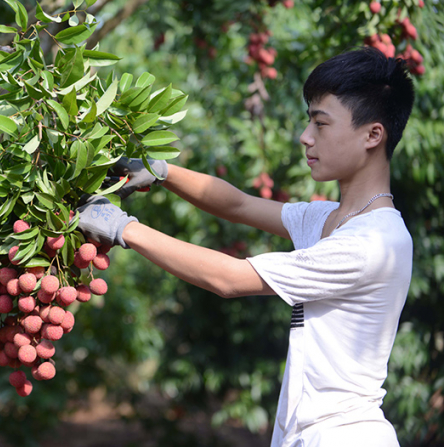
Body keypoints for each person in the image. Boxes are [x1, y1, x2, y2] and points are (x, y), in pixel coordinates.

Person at [76, 47, 415, 447]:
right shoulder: (329, 219)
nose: (305, 137)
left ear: (373, 135)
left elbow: (230, 278)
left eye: (320, 124)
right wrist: (159, 172)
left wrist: (123, 228)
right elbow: (238, 204)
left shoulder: (372, 243)